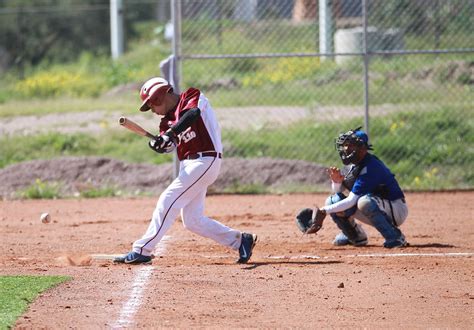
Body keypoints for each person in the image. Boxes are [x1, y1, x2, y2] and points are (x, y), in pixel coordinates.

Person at [114, 77, 257, 264]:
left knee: (168, 199)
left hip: (206, 159)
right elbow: (170, 145)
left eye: (152, 106)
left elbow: (192, 114)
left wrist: (170, 134)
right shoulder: (166, 123)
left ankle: (143, 249)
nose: (154, 111)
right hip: (188, 165)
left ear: (158, 97)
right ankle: (240, 241)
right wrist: (160, 143)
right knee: (192, 221)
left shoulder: (191, 96)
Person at [319, 127, 408, 248]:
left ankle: (395, 236)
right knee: (332, 201)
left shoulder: (371, 166)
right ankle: (355, 236)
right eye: (345, 146)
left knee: (364, 202)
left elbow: (351, 201)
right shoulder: (353, 166)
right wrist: (337, 183)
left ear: (362, 149)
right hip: (377, 204)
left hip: (395, 208)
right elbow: (340, 195)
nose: (346, 149)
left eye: (350, 146)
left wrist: (324, 210)